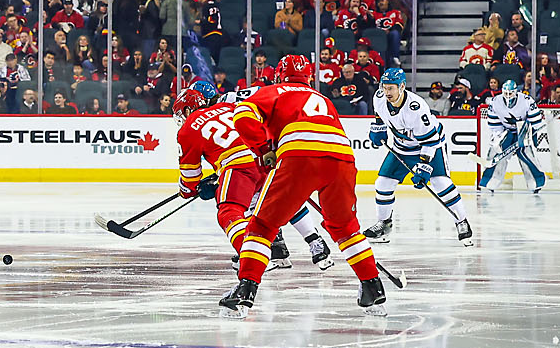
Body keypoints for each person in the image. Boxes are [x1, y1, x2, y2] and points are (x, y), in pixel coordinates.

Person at [218, 54, 386, 317]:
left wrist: (263, 149)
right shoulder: (323, 98)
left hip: (299, 154)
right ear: (308, 76)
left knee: (262, 226)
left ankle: (245, 290)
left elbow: (241, 116)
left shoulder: (273, 91)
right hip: (342, 158)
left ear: (278, 75)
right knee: (345, 227)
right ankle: (372, 286)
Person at [176, 83, 333, 269]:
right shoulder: (229, 106)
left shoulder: (187, 129)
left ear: (187, 109)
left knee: (231, 211)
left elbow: (190, 177)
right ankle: (309, 243)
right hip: (263, 155)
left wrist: (190, 190)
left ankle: (251, 254)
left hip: (238, 167)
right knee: (281, 200)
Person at [363, 68, 472, 246]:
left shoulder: (416, 108)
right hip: (402, 147)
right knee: (383, 183)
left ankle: (461, 221)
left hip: (430, 144)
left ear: (402, 86)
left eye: (391, 88)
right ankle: (384, 223)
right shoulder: (379, 96)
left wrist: (423, 166)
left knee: (440, 183)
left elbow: (430, 141)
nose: (387, 92)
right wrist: (378, 127)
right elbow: (379, 114)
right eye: (385, 87)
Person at [478, 79, 547, 191]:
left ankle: (535, 182)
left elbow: (535, 120)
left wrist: (528, 133)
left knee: (526, 153)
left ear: (516, 92)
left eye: (510, 93)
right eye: (505, 93)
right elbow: (494, 124)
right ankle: (490, 182)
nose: (508, 96)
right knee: (497, 151)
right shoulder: (495, 102)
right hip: (505, 130)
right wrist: (499, 138)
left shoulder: (527, 100)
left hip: (523, 128)